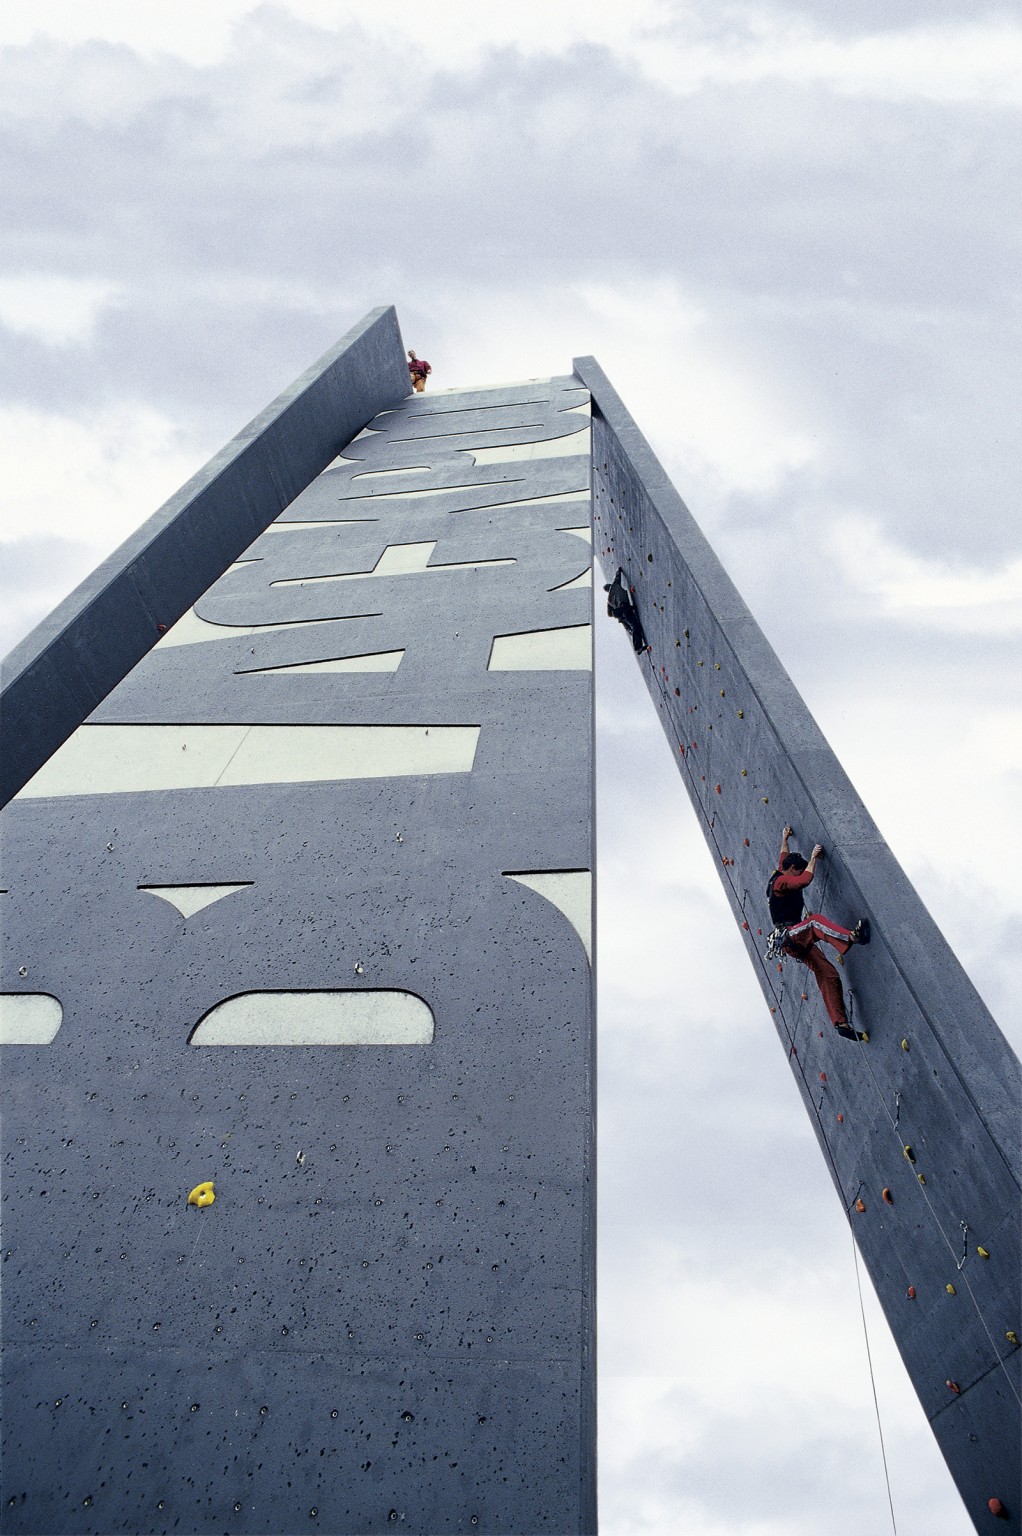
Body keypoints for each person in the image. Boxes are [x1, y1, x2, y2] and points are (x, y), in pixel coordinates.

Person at [766, 825, 871, 1042]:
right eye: (798, 869)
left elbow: (783, 856)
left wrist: (784, 837)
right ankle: (852, 937)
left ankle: (840, 1023)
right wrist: (813, 857)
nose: (798, 874)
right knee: (814, 923)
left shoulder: (780, 871)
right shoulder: (781, 881)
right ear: (792, 868)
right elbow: (804, 880)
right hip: (790, 934)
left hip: (793, 943)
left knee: (827, 973)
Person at [603, 567, 648, 654]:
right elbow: (617, 577)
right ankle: (637, 647)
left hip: (622, 612)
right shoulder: (615, 585)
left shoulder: (609, 600)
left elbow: (610, 614)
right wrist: (619, 570)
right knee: (635, 626)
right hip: (625, 608)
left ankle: (637, 642)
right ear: (609, 586)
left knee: (633, 626)